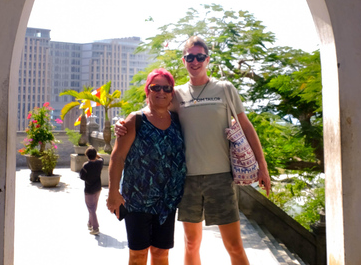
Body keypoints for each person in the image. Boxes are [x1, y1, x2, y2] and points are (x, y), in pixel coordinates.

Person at [116, 36, 271, 265]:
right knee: (190, 243)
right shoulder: (177, 94)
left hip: (220, 177)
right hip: (187, 179)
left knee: (234, 245)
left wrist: (262, 167)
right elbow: (154, 107)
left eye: (200, 57)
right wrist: (124, 122)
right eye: (190, 57)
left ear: (207, 59)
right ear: (184, 60)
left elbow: (246, 126)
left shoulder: (225, 89)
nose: (195, 61)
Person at [107, 68, 187, 265]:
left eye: (166, 88)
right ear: (147, 90)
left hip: (167, 200)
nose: (161, 91)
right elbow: (117, 158)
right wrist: (112, 192)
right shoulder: (136, 120)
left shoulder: (178, 120)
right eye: (155, 87)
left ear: (172, 93)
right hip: (137, 199)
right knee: (138, 254)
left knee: (161, 253)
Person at [80, 146, 104, 235]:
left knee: (91, 208)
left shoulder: (86, 166)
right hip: (98, 188)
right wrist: (96, 154)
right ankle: (90, 223)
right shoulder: (100, 163)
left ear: (87, 155)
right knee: (93, 208)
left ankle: (95, 227)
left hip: (89, 189)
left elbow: (82, 177)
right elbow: (101, 158)